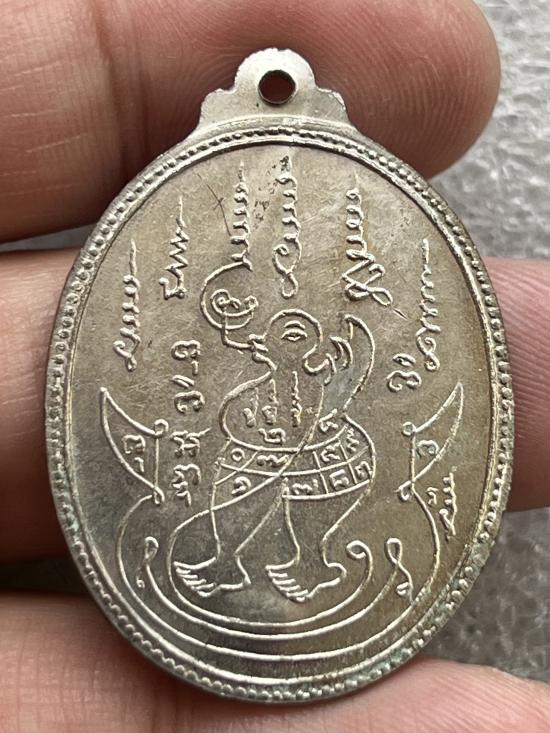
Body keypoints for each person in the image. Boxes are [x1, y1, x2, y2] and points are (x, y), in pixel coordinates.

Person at [0, 0, 549, 730]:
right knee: (244, 488)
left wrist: (302, 413)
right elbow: (244, 404)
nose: (269, 341)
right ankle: (234, 563)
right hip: (266, 451)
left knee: (288, 495)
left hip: (323, 456)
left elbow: (334, 387)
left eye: (285, 335)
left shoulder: (324, 369)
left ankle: (306, 564)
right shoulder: (269, 369)